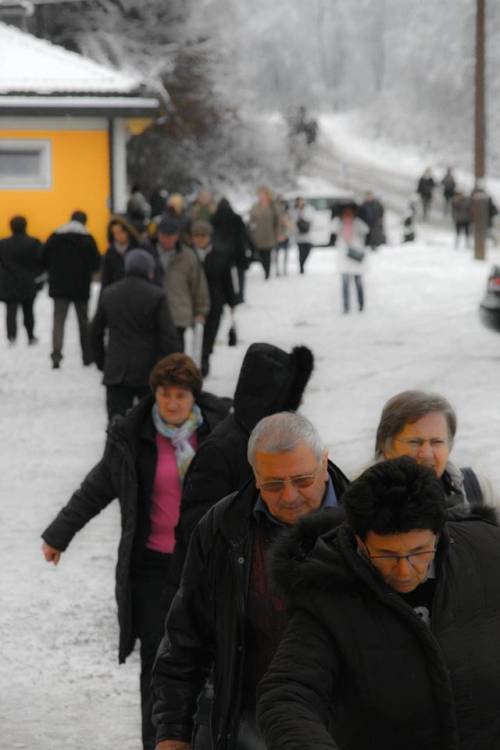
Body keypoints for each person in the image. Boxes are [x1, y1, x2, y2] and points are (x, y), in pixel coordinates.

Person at [41, 353, 231, 750]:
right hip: (152, 572)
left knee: (208, 659)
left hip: (205, 568)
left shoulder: (220, 432)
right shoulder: (133, 436)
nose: (173, 404)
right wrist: (60, 533)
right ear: (155, 395)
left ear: (194, 396)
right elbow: (97, 486)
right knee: (159, 662)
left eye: (181, 395)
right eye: (165, 395)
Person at [257, 456, 500, 750]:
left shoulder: (488, 550)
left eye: (419, 552)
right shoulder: (327, 594)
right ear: (360, 541)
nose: (404, 570)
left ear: (439, 532)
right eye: (386, 555)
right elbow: (287, 694)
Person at [151, 412, 350, 750]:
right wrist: (173, 732)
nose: (289, 496)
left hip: (344, 730)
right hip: (249, 730)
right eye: (273, 484)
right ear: (255, 476)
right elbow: (186, 637)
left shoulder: (369, 526)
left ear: (324, 461)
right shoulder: (224, 528)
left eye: (302, 480)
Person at [171, 342, 315, 581]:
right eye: (293, 397)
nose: (300, 404)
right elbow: (198, 527)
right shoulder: (222, 449)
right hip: (221, 587)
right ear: (274, 398)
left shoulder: (269, 441)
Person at [90, 249, 180, 420]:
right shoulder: (157, 295)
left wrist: (103, 362)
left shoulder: (109, 293)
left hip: (116, 372)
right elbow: (168, 336)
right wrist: (169, 368)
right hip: (149, 372)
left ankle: (117, 448)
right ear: (149, 270)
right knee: (148, 425)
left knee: (117, 427)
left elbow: (95, 332)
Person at [374, 390, 498, 508]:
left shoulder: (478, 491)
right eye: (414, 442)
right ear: (386, 446)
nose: (427, 454)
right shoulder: (357, 501)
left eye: (437, 442)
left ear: (450, 445)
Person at [42, 210, 100, 369]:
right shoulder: (88, 239)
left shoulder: (55, 237)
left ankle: (56, 355)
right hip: (81, 287)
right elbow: (96, 264)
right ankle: (87, 356)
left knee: (58, 321)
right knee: (83, 321)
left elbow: (43, 258)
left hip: (59, 286)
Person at [190, 219, 237, 377]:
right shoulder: (187, 255)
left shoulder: (220, 255)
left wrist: (232, 301)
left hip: (215, 301)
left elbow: (227, 280)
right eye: (196, 236)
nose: (199, 239)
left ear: (209, 236)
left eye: (203, 236)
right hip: (192, 302)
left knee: (210, 334)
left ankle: (204, 360)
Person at [155, 218, 210, 351]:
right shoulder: (149, 254)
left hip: (178, 315)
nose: (166, 240)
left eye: (170, 236)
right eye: (163, 236)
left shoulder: (188, 257)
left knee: (175, 357)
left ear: (177, 236)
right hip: (153, 315)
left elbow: (198, 285)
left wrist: (200, 311)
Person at [0, 215, 43, 345]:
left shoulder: (3, 243)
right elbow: (40, 262)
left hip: (9, 282)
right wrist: (38, 279)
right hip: (28, 281)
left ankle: (11, 337)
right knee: (28, 311)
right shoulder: (34, 242)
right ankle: (30, 336)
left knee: (10, 311)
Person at [211, 197, 253, 304]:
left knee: (224, 276)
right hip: (238, 250)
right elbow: (244, 235)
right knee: (240, 275)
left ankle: (226, 296)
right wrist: (250, 248)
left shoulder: (214, 219)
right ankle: (240, 295)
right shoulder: (236, 218)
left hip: (221, 252)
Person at [331, 203, 369, 314]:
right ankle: (346, 306)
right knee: (345, 283)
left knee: (358, 282)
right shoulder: (339, 222)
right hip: (344, 256)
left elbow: (366, 230)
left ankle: (361, 305)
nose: (348, 215)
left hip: (355, 255)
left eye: (350, 212)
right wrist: (338, 219)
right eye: (345, 212)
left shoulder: (357, 222)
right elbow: (332, 228)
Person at [100, 216, 142, 288]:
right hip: (116, 293)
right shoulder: (110, 253)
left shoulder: (138, 248)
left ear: (127, 231)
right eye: (115, 233)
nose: (118, 236)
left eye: (121, 232)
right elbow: (106, 278)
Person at [249, 187, 281, 280]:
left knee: (267, 253)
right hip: (258, 234)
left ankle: (267, 272)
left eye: (263, 194)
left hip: (269, 233)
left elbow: (277, 220)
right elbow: (251, 219)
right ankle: (265, 269)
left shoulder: (272, 206)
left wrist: (278, 233)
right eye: (260, 194)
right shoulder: (255, 206)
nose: (261, 196)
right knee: (261, 254)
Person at [293, 197, 315, 274]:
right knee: (301, 252)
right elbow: (293, 221)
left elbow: (311, 218)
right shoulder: (295, 211)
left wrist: (303, 216)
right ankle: (301, 267)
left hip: (307, 234)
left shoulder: (308, 209)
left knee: (308, 250)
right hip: (299, 235)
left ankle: (303, 264)